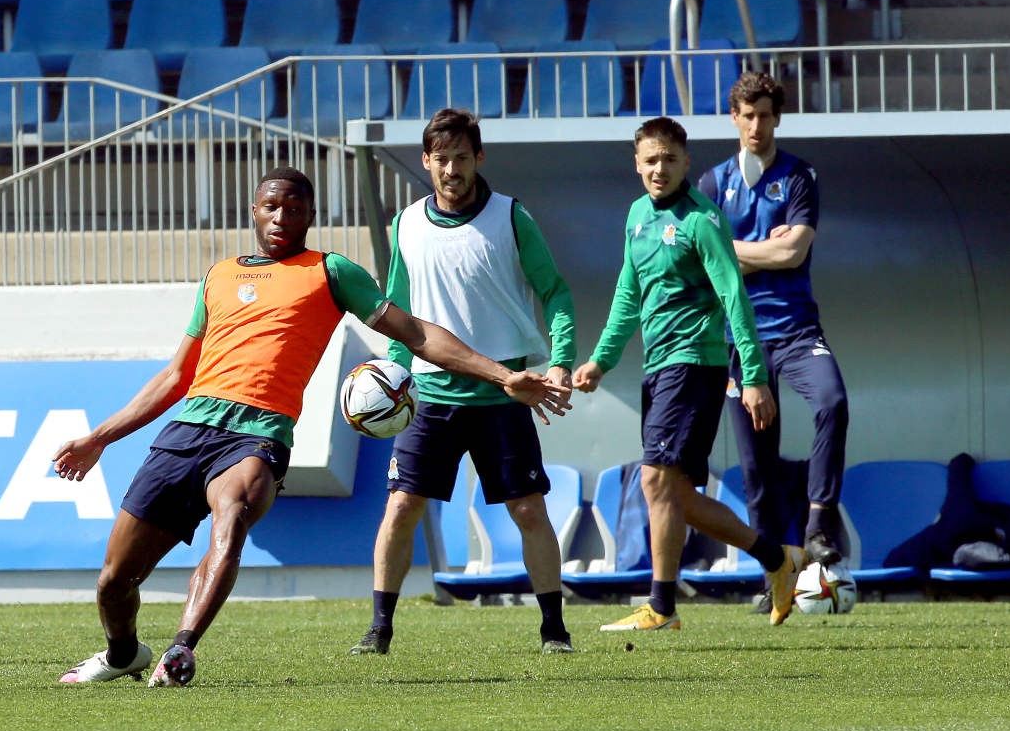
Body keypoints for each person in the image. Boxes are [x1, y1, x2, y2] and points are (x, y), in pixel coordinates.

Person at [53, 167, 568, 687]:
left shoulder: (331, 272)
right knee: (114, 582)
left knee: (230, 522)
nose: (282, 218)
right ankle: (122, 654)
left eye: (295, 209)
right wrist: (99, 437)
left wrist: (502, 375)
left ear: (311, 217)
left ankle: (180, 650)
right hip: (188, 431)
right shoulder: (219, 276)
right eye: (272, 207)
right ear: (254, 210)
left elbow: (415, 332)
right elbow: (174, 376)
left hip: (258, 434)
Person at [350, 109, 577, 657]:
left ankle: (554, 630)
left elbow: (557, 294)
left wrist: (561, 361)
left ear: (479, 157)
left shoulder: (511, 217)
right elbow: (399, 315)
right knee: (401, 507)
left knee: (528, 510)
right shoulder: (405, 223)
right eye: (441, 158)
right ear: (425, 162)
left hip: (505, 393)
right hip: (428, 395)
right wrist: (392, 376)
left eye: (461, 157)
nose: (451, 169)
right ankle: (379, 629)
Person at [571, 117, 803, 631]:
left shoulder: (702, 219)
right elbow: (628, 296)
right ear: (637, 164)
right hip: (657, 368)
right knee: (672, 494)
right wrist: (601, 361)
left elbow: (733, 295)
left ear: (686, 164)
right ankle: (777, 559)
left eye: (669, 159)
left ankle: (662, 607)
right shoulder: (635, 216)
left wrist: (755, 376)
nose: (660, 168)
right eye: (651, 159)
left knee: (656, 480)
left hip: (695, 364)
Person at [697, 72, 850, 573]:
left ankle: (819, 525)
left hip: (797, 330)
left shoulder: (799, 174)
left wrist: (737, 252)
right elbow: (706, 262)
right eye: (748, 115)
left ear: (776, 117)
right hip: (740, 340)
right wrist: (768, 250)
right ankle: (774, 578)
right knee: (757, 466)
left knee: (833, 401)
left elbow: (795, 250)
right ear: (734, 118)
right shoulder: (713, 183)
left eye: (765, 115)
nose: (756, 125)